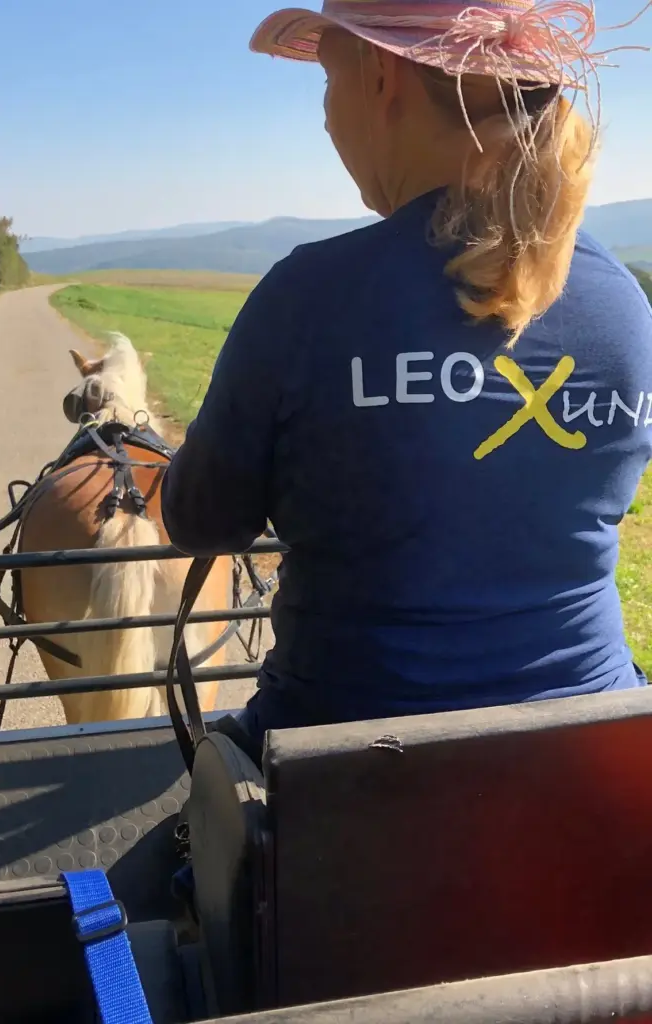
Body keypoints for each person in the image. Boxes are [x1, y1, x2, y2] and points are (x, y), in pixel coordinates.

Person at [161, 0, 652, 747]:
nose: (328, 117)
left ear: (382, 75)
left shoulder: (309, 296)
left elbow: (201, 521)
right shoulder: (623, 300)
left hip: (343, 769)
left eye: (329, 81)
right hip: (594, 743)